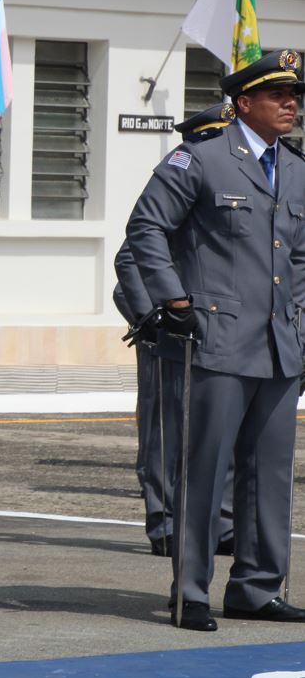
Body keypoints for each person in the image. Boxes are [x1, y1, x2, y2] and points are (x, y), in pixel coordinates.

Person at [126, 48, 305, 631]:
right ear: (243, 103)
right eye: (278, 95)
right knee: (205, 470)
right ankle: (192, 590)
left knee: (269, 473)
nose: (291, 104)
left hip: (280, 344)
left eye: (294, 95)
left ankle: (256, 586)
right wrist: (173, 300)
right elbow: (147, 226)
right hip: (218, 340)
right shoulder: (200, 160)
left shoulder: (297, 167)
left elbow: (299, 256)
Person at [114, 102, 237, 559]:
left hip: (217, 333)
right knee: (165, 433)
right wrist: (156, 317)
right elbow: (129, 259)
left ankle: (221, 523)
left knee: (220, 429)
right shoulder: (176, 189)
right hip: (168, 332)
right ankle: (163, 520)